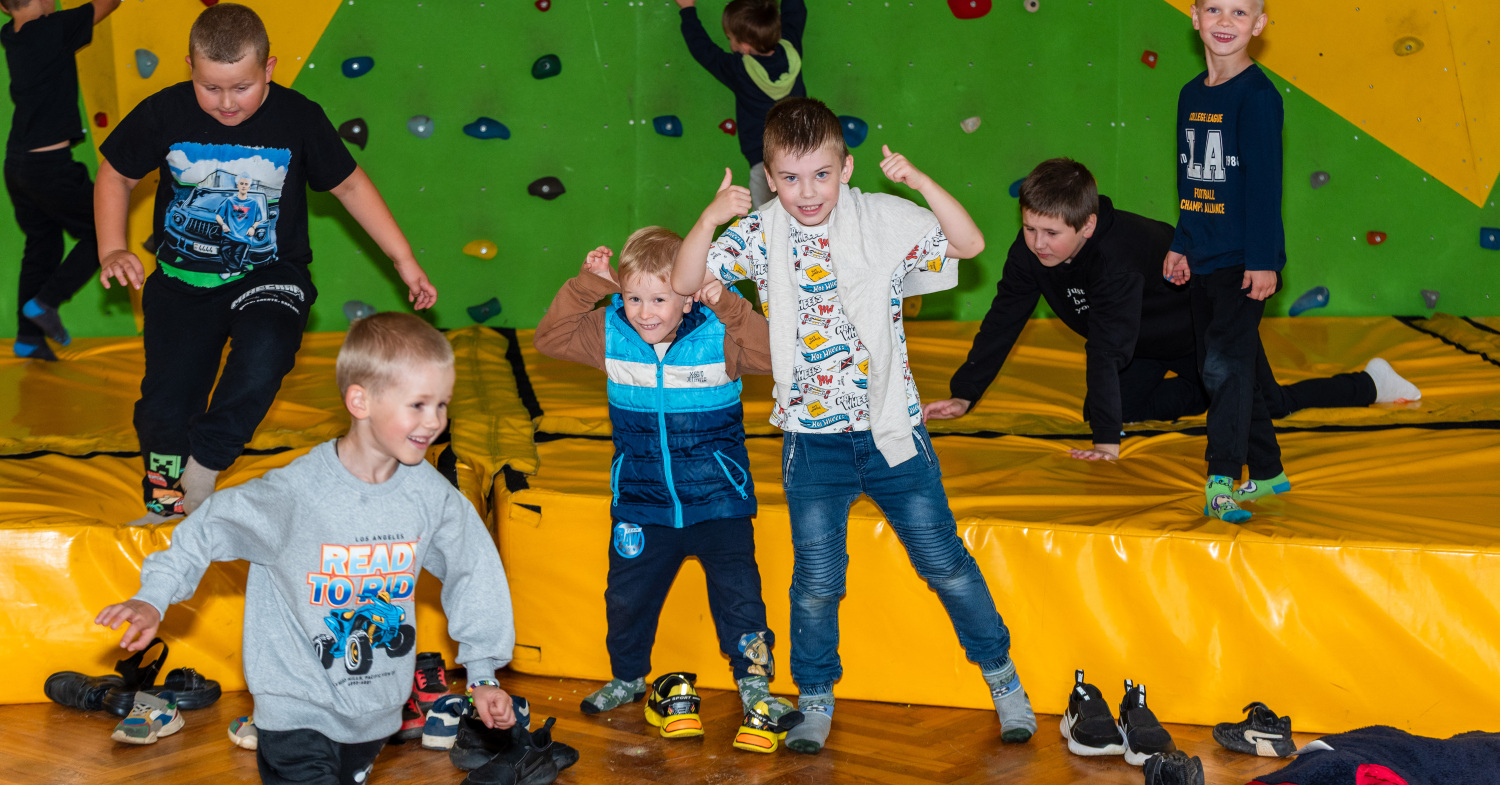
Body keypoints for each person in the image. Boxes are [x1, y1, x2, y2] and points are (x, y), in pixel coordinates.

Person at [672, 98, 1036, 753]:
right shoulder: (763, 232)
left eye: (821, 174)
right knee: (816, 580)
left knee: (945, 563)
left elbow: (970, 244)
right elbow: (684, 279)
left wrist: (919, 181)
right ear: (770, 178)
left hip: (890, 431)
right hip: (813, 443)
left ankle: (1003, 678)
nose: (807, 192)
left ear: (845, 169)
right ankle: (815, 695)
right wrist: (709, 218)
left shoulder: (880, 217)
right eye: (790, 178)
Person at [95, 313, 518, 782]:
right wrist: (154, 597)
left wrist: (482, 674)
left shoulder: (430, 496)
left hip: (376, 714)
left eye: (442, 404)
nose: (434, 421)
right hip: (294, 710)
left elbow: (473, 570)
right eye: (418, 405)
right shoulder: (293, 495)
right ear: (360, 400)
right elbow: (206, 527)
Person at [94, 3, 438, 520]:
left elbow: (349, 186)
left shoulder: (298, 118)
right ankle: (167, 504)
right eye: (210, 87)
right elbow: (116, 174)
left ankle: (206, 464)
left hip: (269, 274)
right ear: (190, 68)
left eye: (242, 87)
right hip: (182, 282)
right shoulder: (164, 112)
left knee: (265, 348)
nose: (226, 103)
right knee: (166, 404)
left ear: (269, 69)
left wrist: (403, 259)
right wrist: (112, 248)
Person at [923, 158, 1422, 463]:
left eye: (1051, 233)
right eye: (1030, 228)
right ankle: (1208, 393)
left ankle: (1370, 383)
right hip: (1143, 341)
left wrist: (1107, 444)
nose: (1037, 243)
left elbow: (1106, 346)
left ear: (1087, 226)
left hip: (1206, 326)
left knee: (1264, 408)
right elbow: (1005, 316)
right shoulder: (1031, 251)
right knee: (1108, 410)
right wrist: (965, 393)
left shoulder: (1117, 258)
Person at [532, 226, 802, 754]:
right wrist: (589, 285)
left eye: (659, 299)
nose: (644, 312)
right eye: (633, 298)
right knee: (626, 598)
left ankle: (755, 687)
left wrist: (726, 303)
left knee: (740, 601)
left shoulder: (717, 336)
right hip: (642, 503)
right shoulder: (610, 334)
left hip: (718, 503)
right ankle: (628, 676)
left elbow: (776, 357)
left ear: (688, 296)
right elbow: (551, 338)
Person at [1161, 0, 1290, 523]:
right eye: (1214, 9)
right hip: (1205, 255)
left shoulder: (1257, 98)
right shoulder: (1191, 94)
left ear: (1258, 25)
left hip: (1243, 260)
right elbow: (1191, 179)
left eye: (1239, 13)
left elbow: (1264, 187)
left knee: (1223, 368)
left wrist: (1262, 260)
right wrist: (1182, 241)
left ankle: (1221, 477)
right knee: (1232, 366)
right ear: (1195, 16)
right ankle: (1270, 471)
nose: (1225, 21)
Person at [1, 0, 149, 360]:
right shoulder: (55, 30)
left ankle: (28, 338)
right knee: (101, 231)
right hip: (50, 168)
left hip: (18, 166)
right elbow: (109, 0)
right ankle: (46, 302)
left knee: (41, 246)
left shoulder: (12, 34)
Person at [665, 0, 807, 210]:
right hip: (804, 151)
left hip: (764, 162)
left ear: (743, 46)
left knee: (766, 221)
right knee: (805, 209)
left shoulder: (739, 70)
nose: (728, 41)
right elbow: (794, 7)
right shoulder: (791, 43)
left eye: (730, 37)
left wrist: (687, 9)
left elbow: (704, 51)